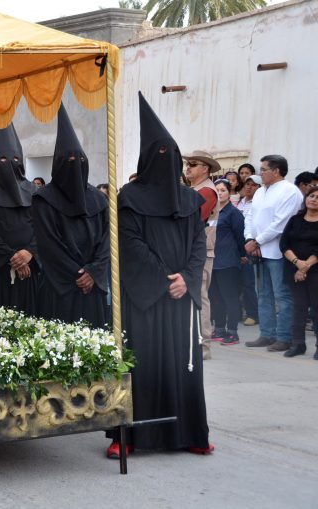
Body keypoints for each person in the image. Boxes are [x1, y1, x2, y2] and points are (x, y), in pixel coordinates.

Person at [108, 92, 210, 458]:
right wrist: (164, 280)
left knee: (184, 366)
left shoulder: (191, 201)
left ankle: (190, 433)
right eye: (161, 155)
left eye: (174, 156)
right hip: (146, 299)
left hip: (182, 298)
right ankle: (132, 437)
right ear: (149, 160)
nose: (168, 162)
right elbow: (130, 245)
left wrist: (187, 277)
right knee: (144, 363)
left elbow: (199, 244)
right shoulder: (129, 198)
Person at [32, 103, 109, 326]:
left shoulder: (98, 199)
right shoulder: (43, 198)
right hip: (61, 287)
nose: (76, 166)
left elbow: (106, 241)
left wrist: (93, 272)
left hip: (91, 287)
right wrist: (77, 274)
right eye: (70, 161)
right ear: (58, 164)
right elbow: (49, 244)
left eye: (81, 160)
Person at [0, 123, 39, 316]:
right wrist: (12, 257)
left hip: (29, 272)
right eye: (3, 158)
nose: (9, 162)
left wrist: (30, 252)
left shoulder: (33, 191)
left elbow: (43, 227)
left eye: (15, 158)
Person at [244, 155, 303, 352]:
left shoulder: (290, 192)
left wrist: (257, 241)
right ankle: (267, 334)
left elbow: (280, 224)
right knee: (263, 294)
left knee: (282, 295)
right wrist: (249, 238)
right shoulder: (261, 191)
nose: (260, 173)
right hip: (259, 250)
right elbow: (250, 216)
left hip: (277, 251)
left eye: (263, 169)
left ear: (276, 171)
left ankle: (284, 337)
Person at [183, 150, 220, 360]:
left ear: (205, 168)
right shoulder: (195, 188)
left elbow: (193, 219)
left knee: (200, 297)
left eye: (193, 164)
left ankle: (204, 345)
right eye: (188, 164)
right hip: (194, 249)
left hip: (201, 250)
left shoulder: (206, 191)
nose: (188, 167)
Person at [279, 187, 318, 358]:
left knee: (316, 309)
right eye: (312, 195)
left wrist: (306, 266)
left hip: (315, 270)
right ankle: (298, 344)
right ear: (306, 198)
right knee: (298, 308)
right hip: (293, 269)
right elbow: (284, 244)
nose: (314, 199)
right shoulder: (295, 220)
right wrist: (297, 263)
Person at [209, 179, 246, 345]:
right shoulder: (212, 211)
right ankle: (219, 329)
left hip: (228, 261)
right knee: (215, 297)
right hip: (213, 261)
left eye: (223, 190)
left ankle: (232, 332)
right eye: (216, 190)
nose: (219, 193)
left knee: (230, 297)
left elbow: (240, 237)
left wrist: (242, 254)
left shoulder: (234, 213)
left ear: (229, 192)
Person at [237, 175, 262, 326]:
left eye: (253, 185)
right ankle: (239, 312)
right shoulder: (240, 203)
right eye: (247, 184)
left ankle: (253, 314)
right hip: (238, 245)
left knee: (249, 283)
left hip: (252, 245)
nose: (249, 187)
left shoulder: (259, 203)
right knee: (238, 282)